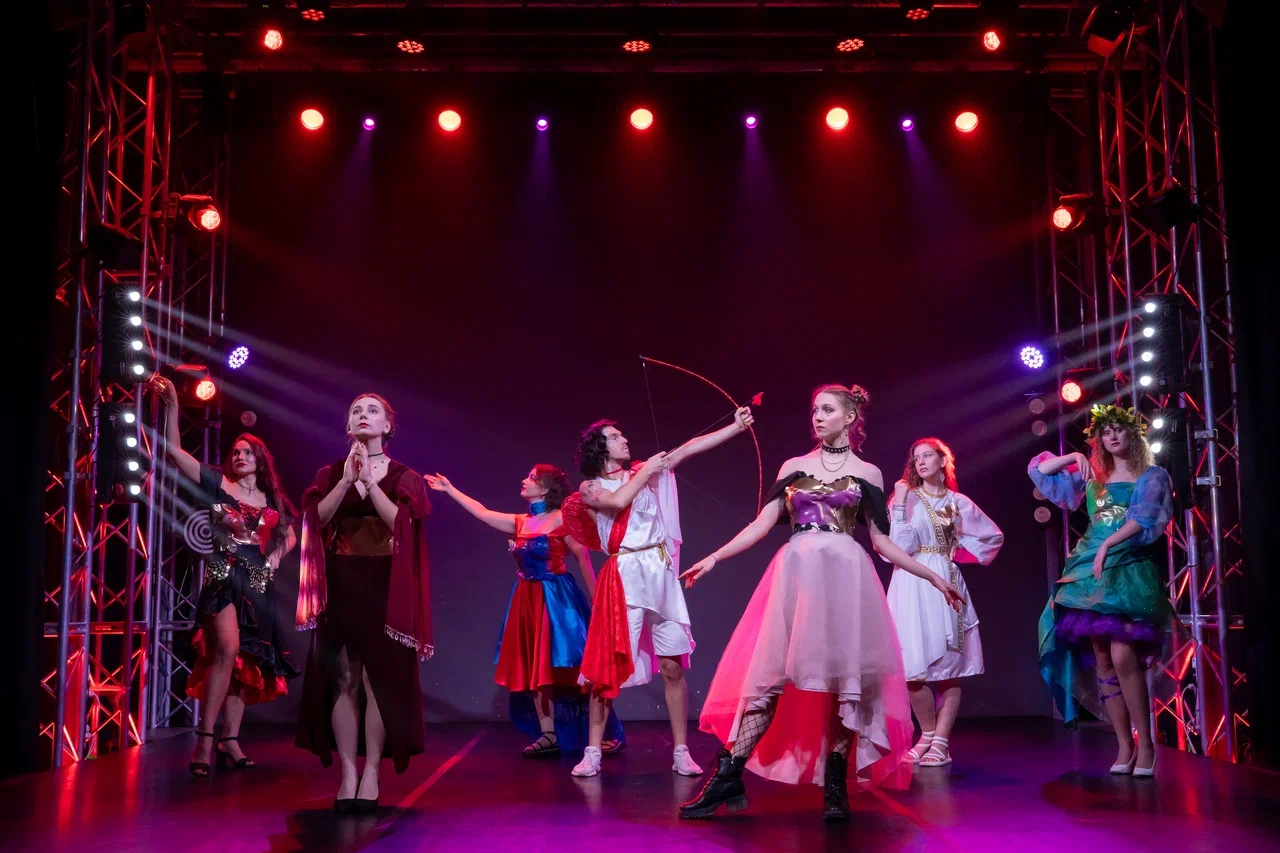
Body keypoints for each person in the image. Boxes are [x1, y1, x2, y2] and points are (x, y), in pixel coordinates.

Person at [677, 384, 963, 820]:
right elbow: (761, 524)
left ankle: (835, 784)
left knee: (846, 682)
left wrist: (932, 575)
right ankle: (728, 777)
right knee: (769, 677)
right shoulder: (794, 466)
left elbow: (882, 541)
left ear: (850, 417)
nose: (817, 417)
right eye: (814, 410)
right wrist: (715, 556)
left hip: (846, 578)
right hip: (798, 575)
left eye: (827, 410)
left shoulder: (868, 472)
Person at [559, 407, 755, 779]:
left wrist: (734, 426)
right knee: (605, 671)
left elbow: (687, 449)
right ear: (600, 448)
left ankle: (681, 751)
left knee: (672, 665)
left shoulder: (642, 471)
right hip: (624, 574)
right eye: (614, 437)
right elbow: (616, 502)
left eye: (621, 435)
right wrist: (646, 472)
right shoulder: (591, 487)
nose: (624, 440)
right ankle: (592, 751)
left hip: (659, 572)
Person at [149, 375, 300, 778]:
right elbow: (173, 452)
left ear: (260, 459)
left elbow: (290, 534)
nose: (240, 455)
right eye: (235, 451)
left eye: (247, 451)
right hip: (223, 572)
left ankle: (229, 740)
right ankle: (204, 738)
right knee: (228, 648)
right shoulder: (219, 484)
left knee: (247, 659)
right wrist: (173, 406)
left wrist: (277, 557)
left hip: (258, 581)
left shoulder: (272, 500)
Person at [424, 465, 624, 757]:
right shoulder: (521, 522)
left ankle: (607, 730)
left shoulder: (563, 519)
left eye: (531, 477)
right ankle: (548, 734)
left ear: (544, 488)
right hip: (526, 600)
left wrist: (598, 602)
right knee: (536, 666)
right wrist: (450, 490)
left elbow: (583, 560)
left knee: (577, 667)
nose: (524, 480)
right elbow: (482, 512)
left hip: (557, 600)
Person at [295, 393, 433, 813]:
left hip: (385, 584)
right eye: (356, 410)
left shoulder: (405, 476)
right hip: (341, 582)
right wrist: (345, 482)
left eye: (373, 411)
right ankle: (348, 773)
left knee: (376, 681)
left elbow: (402, 526)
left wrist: (370, 483)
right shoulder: (330, 472)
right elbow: (315, 521)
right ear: (348, 424)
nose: (363, 415)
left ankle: (371, 769)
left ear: (387, 426)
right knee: (343, 678)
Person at [1030, 404, 1174, 778]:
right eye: (1105, 432)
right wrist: (1073, 457)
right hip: (1090, 570)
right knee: (1104, 658)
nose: (1111, 436)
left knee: (1124, 654)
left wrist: (1109, 543)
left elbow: (1144, 518)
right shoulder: (1094, 476)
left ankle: (1146, 744)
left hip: (1127, 565)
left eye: (1118, 430)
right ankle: (1124, 744)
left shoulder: (1151, 475)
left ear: (1132, 435)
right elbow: (1038, 471)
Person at [886, 437, 1004, 768]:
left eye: (928, 456)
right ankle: (927, 734)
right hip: (910, 581)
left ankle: (941, 742)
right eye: (916, 458)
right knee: (912, 669)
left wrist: (953, 554)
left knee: (950, 668)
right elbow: (897, 547)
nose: (921, 462)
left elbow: (992, 537)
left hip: (945, 581)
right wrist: (899, 504)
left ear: (943, 461)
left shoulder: (957, 501)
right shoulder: (905, 498)